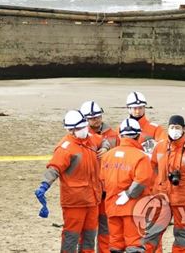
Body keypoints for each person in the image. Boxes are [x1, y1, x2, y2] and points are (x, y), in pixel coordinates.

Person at [35, 110, 103, 253]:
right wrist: (44, 184)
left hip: (92, 200)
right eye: (78, 128)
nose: (83, 130)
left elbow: (104, 140)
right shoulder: (65, 148)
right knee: (71, 238)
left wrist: (105, 148)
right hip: (75, 203)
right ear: (71, 130)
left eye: (83, 127)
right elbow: (54, 168)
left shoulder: (91, 139)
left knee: (90, 238)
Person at [147, 115, 185, 253]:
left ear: (184, 129)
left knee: (182, 232)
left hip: (184, 199)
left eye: (177, 127)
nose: (174, 130)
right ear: (168, 128)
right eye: (172, 127)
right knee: (153, 230)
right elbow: (153, 167)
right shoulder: (160, 146)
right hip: (161, 196)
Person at [100, 118, 154, 253]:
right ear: (138, 135)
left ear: (120, 135)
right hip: (134, 208)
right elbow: (142, 180)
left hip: (112, 206)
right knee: (134, 244)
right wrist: (129, 194)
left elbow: (102, 180)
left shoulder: (107, 156)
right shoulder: (141, 156)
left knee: (115, 244)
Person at [80, 100, 120, 253]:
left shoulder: (113, 135)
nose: (96, 120)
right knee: (87, 230)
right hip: (89, 190)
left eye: (98, 117)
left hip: (106, 189)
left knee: (105, 229)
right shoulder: (81, 136)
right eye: (92, 118)